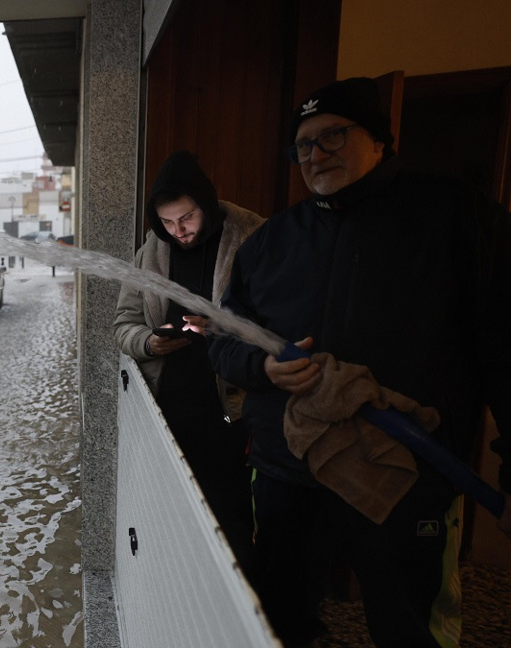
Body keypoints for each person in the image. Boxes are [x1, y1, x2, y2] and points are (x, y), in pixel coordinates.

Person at [209, 77, 511, 648]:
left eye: (333, 136)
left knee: (410, 624)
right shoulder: (273, 242)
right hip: (288, 470)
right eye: (303, 145)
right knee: (277, 618)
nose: (315, 155)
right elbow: (223, 340)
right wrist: (263, 370)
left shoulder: (457, 218)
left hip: (407, 473)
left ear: (377, 138)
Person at [113, 150, 264, 574]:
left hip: (232, 413)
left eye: (187, 217)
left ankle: (239, 602)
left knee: (232, 521)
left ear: (206, 202)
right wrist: (148, 343)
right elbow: (123, 324)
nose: (179, 231)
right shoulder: (151, 251)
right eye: (167, 222)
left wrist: (220, 329)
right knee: (172, 519)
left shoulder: (253, 237)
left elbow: (278, 325)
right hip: (167, 411)